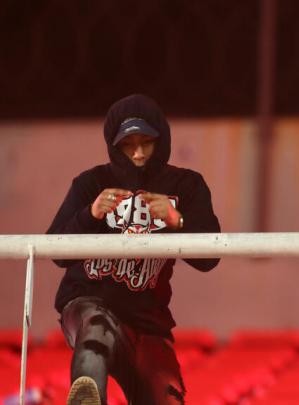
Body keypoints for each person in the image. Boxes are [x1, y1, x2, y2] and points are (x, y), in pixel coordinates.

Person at [47, 94, 221, 404]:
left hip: (147, 320)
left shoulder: (186, 185)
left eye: (146, 143)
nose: (138, 153)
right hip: (89, 301)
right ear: (114, 146)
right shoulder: (91, 183)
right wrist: (90, 214)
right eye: (128, 145)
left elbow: (210, 258)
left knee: (165, 391)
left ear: (161, 141)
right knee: (95, 333)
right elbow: (56, 252)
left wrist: (177, 220)